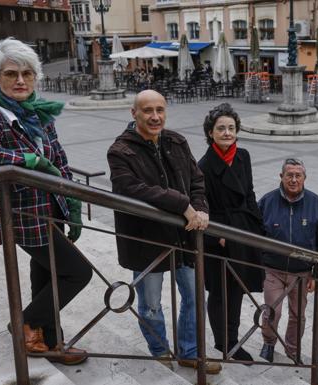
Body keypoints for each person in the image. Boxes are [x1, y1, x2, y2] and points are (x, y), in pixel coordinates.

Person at [0, 37, 92, 365]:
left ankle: (50, 342)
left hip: (51, 210)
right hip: (22, 216)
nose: (21, 80)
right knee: (78, 273)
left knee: (47, 276)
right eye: (11, 74)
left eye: (28, 73)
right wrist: (30, 162)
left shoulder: (39, 113)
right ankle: (23, 322)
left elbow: (60, 159)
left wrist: (76, 204)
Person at [107, 90, 222, 374]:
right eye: (148, 110)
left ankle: (190, 352)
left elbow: (197, 179)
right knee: (150, 304)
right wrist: (182, 204)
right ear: (134, 113)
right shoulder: (121, 151)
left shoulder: (176, 141)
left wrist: (199, 208)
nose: (155, 116)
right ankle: (159, 350)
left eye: (160, 109)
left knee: (194, 297)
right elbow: (132, 189)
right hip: (145, 239)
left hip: (184, 236)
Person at [197, 103, 264, 362]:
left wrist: (256, 224)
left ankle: (232, 340)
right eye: (221, 128)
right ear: (211, 133)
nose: (227, 133)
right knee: (220, 291)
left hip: (243, 230)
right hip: (221, 238)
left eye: (231, 128)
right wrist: (218, 236)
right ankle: (224, 344)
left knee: (237, 289)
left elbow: (248, 192)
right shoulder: (203, 166)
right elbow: (201, 206)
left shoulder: (243, 155)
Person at [258, 158, 318, 363]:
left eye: (298, 175)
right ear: (281, 177)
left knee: (298, 315)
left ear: (304, 178)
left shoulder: (316, 204)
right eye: (289, 175)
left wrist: (317, 274)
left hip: (302, 272)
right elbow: (255, 233)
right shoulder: (267, 201)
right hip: (272, 269)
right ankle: (269, 343)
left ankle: (292, 349)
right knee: (273, 311)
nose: (293, 179)